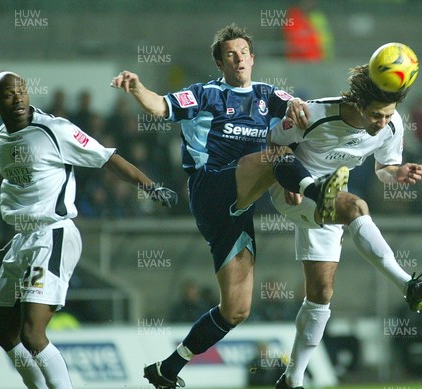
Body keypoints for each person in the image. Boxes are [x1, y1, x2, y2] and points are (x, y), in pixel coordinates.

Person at [111, 24, 336, 389]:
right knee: (274, 155)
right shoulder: (205, 94)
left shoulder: (268, 95)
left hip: (237, 206)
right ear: (219, 62)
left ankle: (167, 368)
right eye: (230, 54)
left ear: (252, 57)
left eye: (244, 52)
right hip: (210, 187)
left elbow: (301, 113)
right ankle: (320, 193)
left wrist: (296, 114)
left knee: (236, 310)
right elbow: (160, 106)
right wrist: (137, 87)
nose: (239, 58)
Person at [0, 71, 177, 389]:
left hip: (52, 233)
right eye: (9, 94)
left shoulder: (55, 130)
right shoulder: (0, 138)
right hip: (20, 238)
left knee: (33, 333)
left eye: (22, 90)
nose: (19, 98)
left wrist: (149, 185)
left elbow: (106, 157)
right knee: (5, 334)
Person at [259, 65, 422, 389]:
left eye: (387, 115)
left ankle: (291, 381)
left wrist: (395, 174)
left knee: (320, 295)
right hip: (293, 193)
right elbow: (270, 143)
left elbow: (384, 167)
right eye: (376, 116)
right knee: (357, 206)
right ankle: (407, 285)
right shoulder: (314, 113)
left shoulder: (392, 125)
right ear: (358, 104)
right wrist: (289, 175)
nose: (382, 122)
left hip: (330, 198)